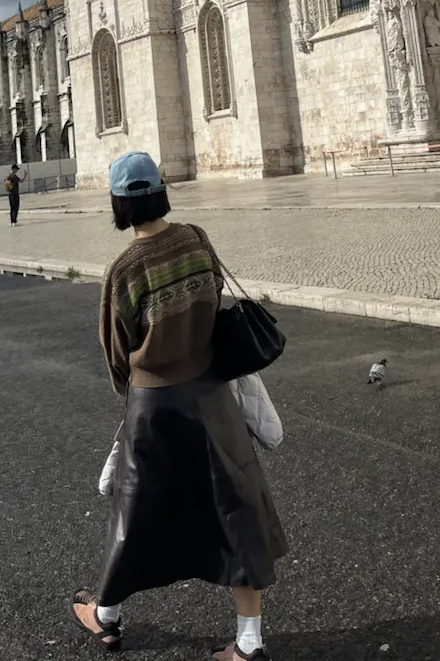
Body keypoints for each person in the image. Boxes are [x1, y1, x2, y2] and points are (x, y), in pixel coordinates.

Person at [72, 151, 286, 660]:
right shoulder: (196, 239)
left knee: (137, 511)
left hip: (154, 405)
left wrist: (139, 386)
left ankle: (106, 615)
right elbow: (212, 300)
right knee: (235, 507)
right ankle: (249, 641)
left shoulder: (123, 269)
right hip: (210, 391)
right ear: (162, 191)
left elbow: (117, 353)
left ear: (119, 204)